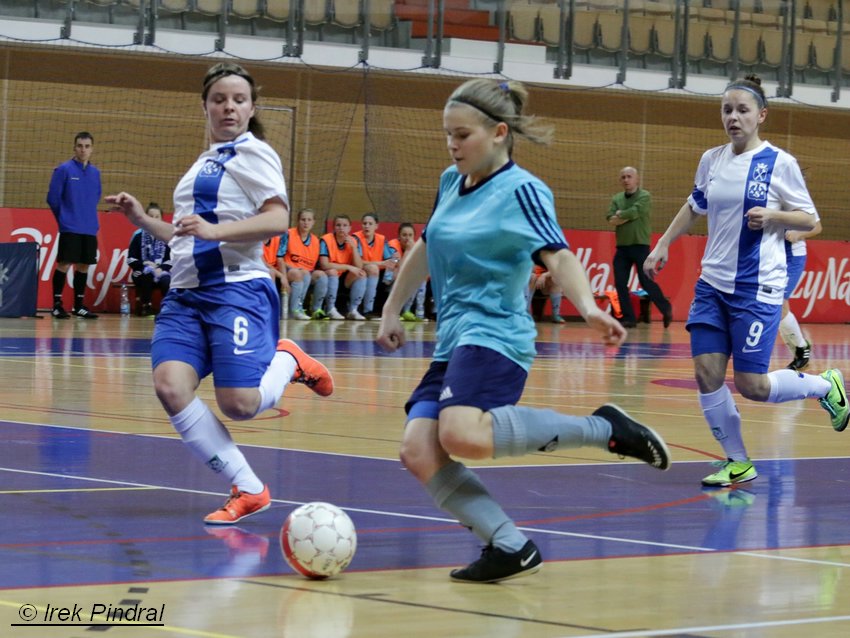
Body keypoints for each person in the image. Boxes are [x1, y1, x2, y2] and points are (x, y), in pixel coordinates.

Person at [376, 78, 671, 584]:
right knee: (418, 450)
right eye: (448, 134)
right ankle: (509, 545)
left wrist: (588, 307)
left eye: (462, 135)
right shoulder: (451, 182)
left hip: (496, 335)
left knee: (460, 434)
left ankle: (606, 430)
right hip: (454, 340)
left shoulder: (524, 191)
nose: (452, 144)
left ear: (498, 132)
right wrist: (390, 308)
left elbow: (558, 254)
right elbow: (427, 247)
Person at [106, 62, 334, 525]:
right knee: (170, 386)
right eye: (219, 99)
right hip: (185, 294)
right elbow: (187, 236)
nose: (228, 106)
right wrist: (142, 221)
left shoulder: (255, 153)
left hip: (235, 290)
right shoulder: (201, 163)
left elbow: (275, 220)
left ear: (251, 108)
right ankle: (249, 488)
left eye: (238, 99)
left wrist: (216, 230)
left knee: (240, 405)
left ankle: (287, 359)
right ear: (205, 106)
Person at [643, 75, 848, 488]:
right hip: (711, 285)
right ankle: (737, 461)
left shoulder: (780, 163)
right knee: (706, 373)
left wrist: (774, 216)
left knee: (751, 385)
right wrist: (662, 243)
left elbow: (811, 219)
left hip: (757, 288)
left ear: (761, 116)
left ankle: (825, 386)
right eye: (727, 110)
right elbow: (694, 204)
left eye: (742, 110)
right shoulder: (712, 159)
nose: (733, 117)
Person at [606, 166, 673, 329]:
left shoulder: (644, 196)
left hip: (640, 246)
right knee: (620, 283)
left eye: (629, 176)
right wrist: (626, 215)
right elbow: (609, 218)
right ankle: (629, 318)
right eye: (623, 177)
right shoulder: (616, 198)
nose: (626, 180)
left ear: (636, 179)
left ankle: (666, 308)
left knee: (646, 282)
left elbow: (635, 212)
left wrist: (621, 215)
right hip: (622, 248)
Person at [47, 131, 102, 319]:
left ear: (92, 149)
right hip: (70, 227)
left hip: (89, 228)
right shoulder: (64, 169)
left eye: (87, 146)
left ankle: (79, 306)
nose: (83, 150)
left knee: (84, 265)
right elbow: (53, 199)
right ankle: (56, 305)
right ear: (74, 147)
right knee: (64, 263)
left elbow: (96, 197)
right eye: (80, 146)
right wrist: (64, 219)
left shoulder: (96, 173)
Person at [779, 222, 822, 370]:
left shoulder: (795, 198)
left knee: (779, 304)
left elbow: (817, 226)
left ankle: (801, 351)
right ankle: (800, 350)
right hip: (772, 256)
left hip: (792, 256)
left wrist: (798, 234)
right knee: (774, 306)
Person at [279, 207, 329, 321]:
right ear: (298, 221)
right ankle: (296, 310)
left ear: (313, 222)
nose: (306, 222)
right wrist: (283, 277)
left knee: (321, 275)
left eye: (309, 220)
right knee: (301, 274)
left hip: (306, 272)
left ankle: (317, 310)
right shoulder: (288, 234)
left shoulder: (316, 240)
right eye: (303, 219)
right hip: (289, 269)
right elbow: (280, 258)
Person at [319, 214, 367, 320]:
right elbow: (324, 264)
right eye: (338, 225)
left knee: (361, 274)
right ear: (333, 227)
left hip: (344, 279)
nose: (341, 228)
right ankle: (330, 308)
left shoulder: (354, 241)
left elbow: (359, 266)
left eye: (345, 225)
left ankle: (353, 310)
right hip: (328, 276)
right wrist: (349, 267)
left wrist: (354, 248)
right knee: (332, 272)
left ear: (350, 228)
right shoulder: (326, 240)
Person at [127, 202, 172, 316]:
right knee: (145, 275)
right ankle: (146, 306)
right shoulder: (138, 235)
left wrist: (160, 268)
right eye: (151, 216)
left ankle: (168, 309)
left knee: (167, 280)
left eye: (157, 217)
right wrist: (144, 264)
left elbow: (172, 258)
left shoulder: (167, 235)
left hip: (162, 271)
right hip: (142, 270)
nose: (154, 219)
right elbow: (130, 259)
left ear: (162, 218)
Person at [353, 213, 397, 319]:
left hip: (376, 272)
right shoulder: (356, 238)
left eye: (370, 224)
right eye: (364, 223)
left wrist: (394, 261)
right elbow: (358, 262)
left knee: (397, 272)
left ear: (376, 226)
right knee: (373, 269)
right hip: (357, 270)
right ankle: (367, 310)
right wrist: (379, 263)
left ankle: (395, 309)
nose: (367, 226)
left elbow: (393, 258)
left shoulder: (381, 239)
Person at [389, 222, 426, 321]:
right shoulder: (392, 246)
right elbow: (398, 271)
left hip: (405, 279)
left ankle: (418, 311)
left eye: (410, 235)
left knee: (421, 279)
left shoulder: (417, 247)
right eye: (404, 235)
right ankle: (400, 310)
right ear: (399, 236)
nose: (407, 238)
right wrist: (408, 251)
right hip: (389, 278)